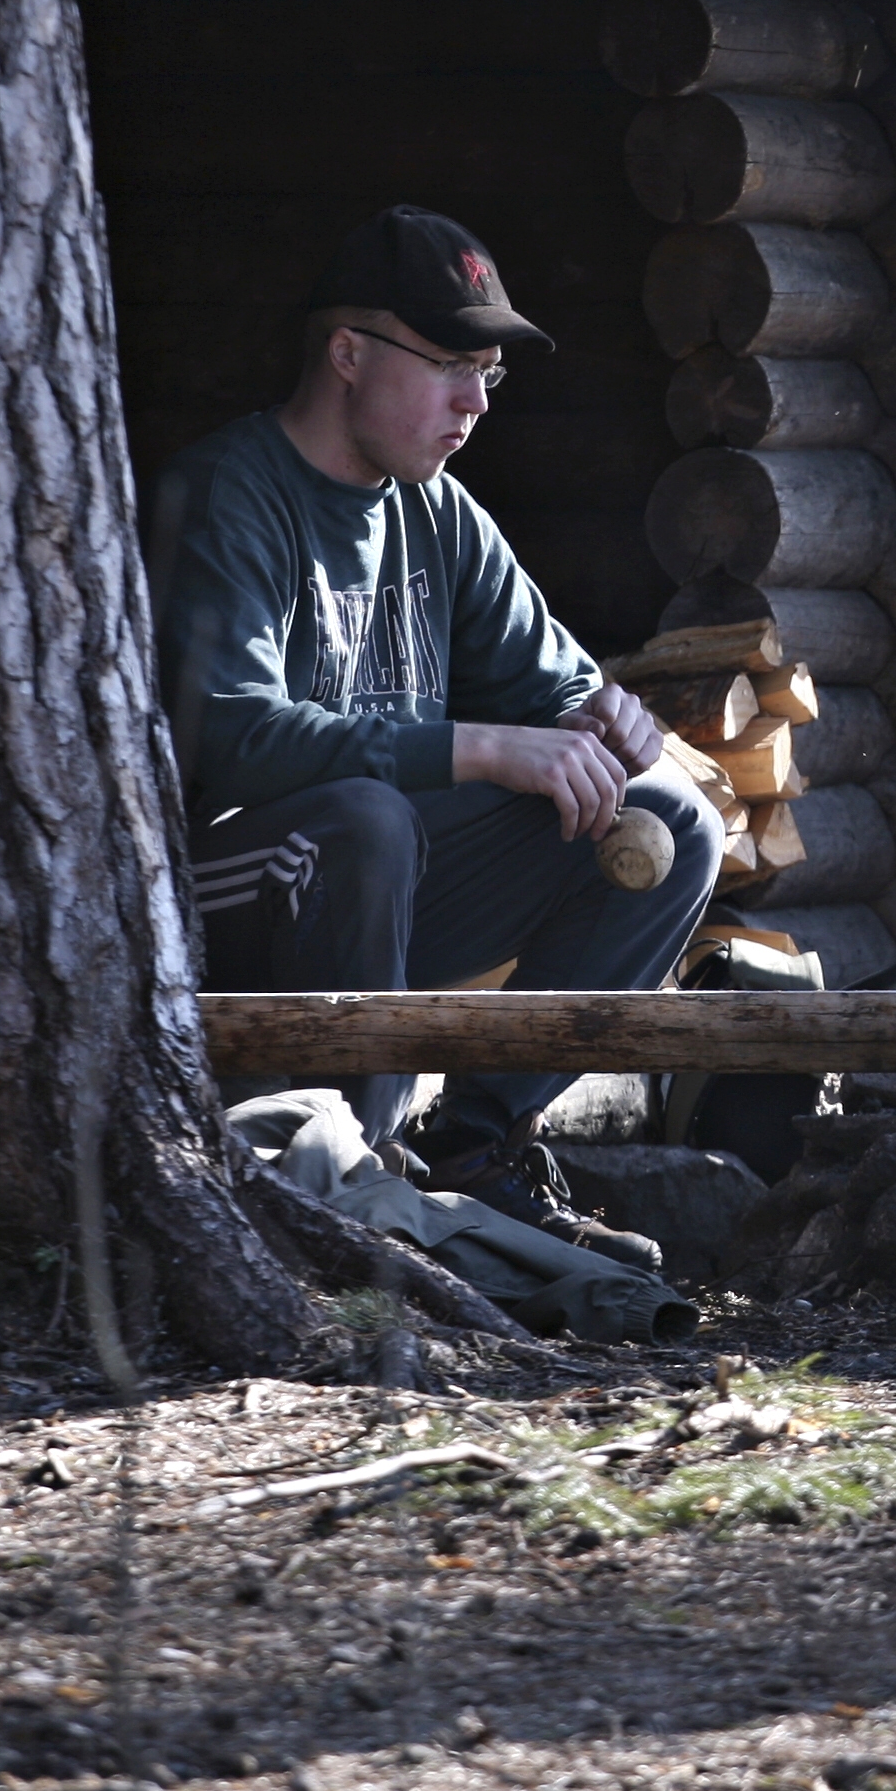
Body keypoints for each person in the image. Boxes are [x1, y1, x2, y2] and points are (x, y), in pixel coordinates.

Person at [144, 204, 721, 1269]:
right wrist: (482, 746)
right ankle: (357, 1183)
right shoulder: (229, 491)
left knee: (672, 823)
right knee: (369, 819)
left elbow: (557, 686)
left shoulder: (437, 511)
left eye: (489, 375)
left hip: (378, 886)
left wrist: (604, 719)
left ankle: (471, 1148)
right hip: (209, 908)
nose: (472, 403)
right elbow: (229, 737)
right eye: (451, 364)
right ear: (348, 354)